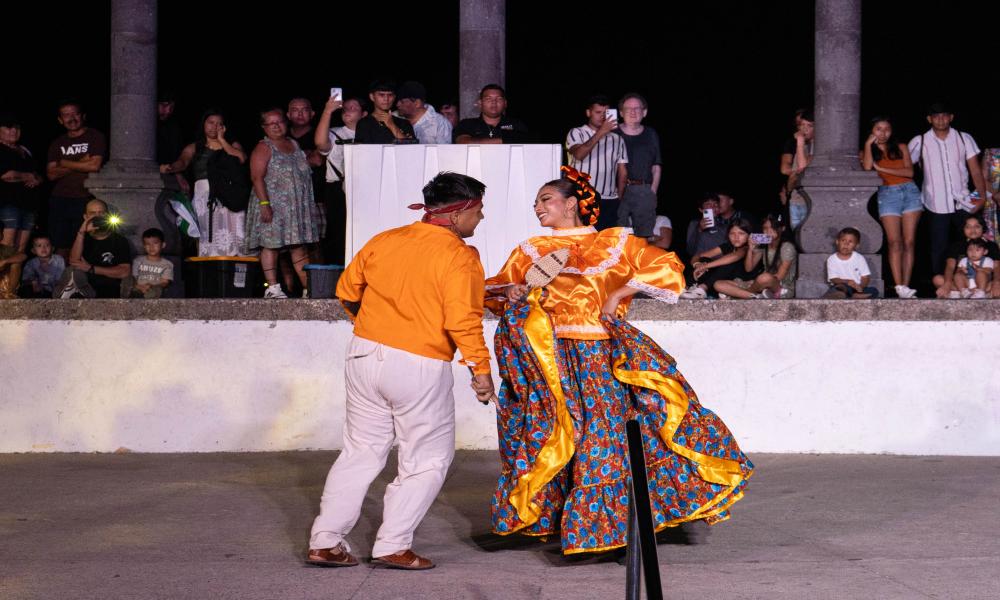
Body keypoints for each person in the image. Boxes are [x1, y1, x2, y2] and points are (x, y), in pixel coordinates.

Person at [483, 166, 753, 555]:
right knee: (556, 433)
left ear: (571, 203)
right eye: (536, 202)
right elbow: (497, 290)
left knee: (603, 433)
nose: (538, 207)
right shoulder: (531, 250)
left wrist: (619, 293)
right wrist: (514, 293)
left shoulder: (614, 243)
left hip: (599, 354)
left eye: (545, 199)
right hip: (551, 358)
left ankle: (605, 529)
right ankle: (562, 520)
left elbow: (668, 267)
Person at [307, 172, 495, 570]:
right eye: (477, 211)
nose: (480, 219)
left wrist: (378, 327)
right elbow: (463, 320)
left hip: (363, 354)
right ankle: (392, 544)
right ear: (458, 212)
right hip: (418, 363)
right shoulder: (460, 255)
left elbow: (346, 292)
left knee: (359, 452)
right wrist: (480, 369)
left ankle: (325, 541)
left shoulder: (385, 240)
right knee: (426, 459)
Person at [245, 108, 320, 298]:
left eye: (279, 122)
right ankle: (273, 288)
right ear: (264, 127)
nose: (277, 126)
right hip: (273, 204)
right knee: (271, 244)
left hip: (293, 207)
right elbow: (256, 177)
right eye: (271, 123)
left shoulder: (293, 144)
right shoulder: (264, 147)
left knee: (298, 246)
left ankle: (307, 289)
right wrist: (264, 204)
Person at [908, 102, 989, 278]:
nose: (941, 119)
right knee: (939, 246)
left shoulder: (963, 137)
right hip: (935, 203)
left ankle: (974, 281)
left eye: (944, 115)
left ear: (951, 117)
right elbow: (905, 167)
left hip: (964, 201)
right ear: (929, 119)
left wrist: (981, 197)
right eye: (936, 116)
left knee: (974, 242)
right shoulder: (920, 141)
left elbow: (975, 170)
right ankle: (942, 284)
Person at [160, 109, 248, 257]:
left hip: (229, 195)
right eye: (211, 123)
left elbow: (241, 158)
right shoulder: (195, 146)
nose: (214, 127)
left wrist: (222, 140)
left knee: (233, 238)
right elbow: (183, 161)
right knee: (209, 236)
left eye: (219, 124)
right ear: (203, 124)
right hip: (205, 196)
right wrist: (171, 167)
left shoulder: (232, 144)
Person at [861, 116, 920, 299]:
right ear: (872, 131)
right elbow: (868, 167)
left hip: (910, 192)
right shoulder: (867, 150)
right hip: (887, 194)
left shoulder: (901, 147)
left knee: (909, 242)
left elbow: (909, 172)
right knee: (894, 242)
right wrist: (868, 144)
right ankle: (899, 285)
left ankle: (906, 286)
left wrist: (883, 169)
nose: (883, 133)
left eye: (886, 129)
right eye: (878, 129)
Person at [46, 101, 107, 258]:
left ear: (83, 116)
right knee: (60, 244)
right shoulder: (57, 143)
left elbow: (94, 165)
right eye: (66, 115)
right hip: (60, 198)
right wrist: (81, 162)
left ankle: (80, 279)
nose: (71, 118)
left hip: (85, 198)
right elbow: (51, 174)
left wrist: (64, 162)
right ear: (60, 120)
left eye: (75, 114)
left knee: (83, 242)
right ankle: (63, 280)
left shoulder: (95, 136)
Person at [316, 95, 366, 265]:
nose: (348, 111)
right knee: (338, 233)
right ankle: (337, 272)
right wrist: (328, 110)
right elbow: (321, 144)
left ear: (364, 114)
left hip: (362, 188)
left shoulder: (371, 134)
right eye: (345, 108)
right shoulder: (334, 132)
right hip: (337, 188)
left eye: (354, 108)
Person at [565, 95, 627, 231]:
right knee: (584, 239)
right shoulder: (577, 132)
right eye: (598, 112)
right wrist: (601, 132)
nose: (602, 117)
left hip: (610, 201)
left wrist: (620, 198)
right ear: (588, 113)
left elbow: (622, 171)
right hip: (583, 197)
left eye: (606, 113)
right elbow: (579, 154)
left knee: (606, 243)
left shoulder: (617, 139)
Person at [53, 198, 131, 299]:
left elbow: (124, 271)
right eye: (93, 213)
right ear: (86, 216)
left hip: (109, 287)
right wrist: (81, 232)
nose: (97, 216)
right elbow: (74, 262)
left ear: (107, 215)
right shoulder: (80, 237)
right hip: (83, 284)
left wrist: (91, 269)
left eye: (101, 213)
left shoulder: (120, 240)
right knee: (72, 271)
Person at [0, 113, 42, 295]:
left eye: (16, 128)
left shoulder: (25, 150)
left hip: (29, 206)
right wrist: (27, 176)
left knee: (20, 250)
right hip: (8, 204)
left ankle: (10, 291)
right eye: (8, 127)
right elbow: (6, 175)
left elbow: (38, 174)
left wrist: (36, 178)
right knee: (6, 248)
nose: (13, 131)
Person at [714, 213, 797, 299]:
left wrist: (758, 283)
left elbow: (780, 276)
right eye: (765, 228)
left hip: (780, 286)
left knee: (764, 278)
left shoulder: (787, 247)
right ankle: (756, 296)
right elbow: (749, 268)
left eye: (773, 228)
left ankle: (743, 295)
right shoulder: (764, 245)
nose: (769, 231)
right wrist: (750, 248)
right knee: (718, 284)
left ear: (782, 228)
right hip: (761, 285)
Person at [286, 97, 328, 262]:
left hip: (315, 199)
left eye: (304, 110)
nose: (300, 114)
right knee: (286, 248)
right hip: (288, 201)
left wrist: (290, 160)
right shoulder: (281, 136)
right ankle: (289, 288)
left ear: (312, 114)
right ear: (288, 115)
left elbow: (318, 160)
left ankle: (318, 285)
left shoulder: (320, 133)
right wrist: (306, 156)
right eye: (295, 110)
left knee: (316, 245)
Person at [615, 93, 661, 238]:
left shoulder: (650, 133)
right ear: (621, 112)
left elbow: (656, 166)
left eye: (637, 108)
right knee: (618, 234)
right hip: (617, 191)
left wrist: (652, 191)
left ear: (644, 112)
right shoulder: (612, 133)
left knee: (644, 236)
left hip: (643, 190)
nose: (633, 112)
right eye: (628, 108)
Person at [681, 219, 754, 299]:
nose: (736, 237)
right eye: (732, 233)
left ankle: (702, 289)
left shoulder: (747, 248)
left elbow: (735, 256)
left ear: (749, 236)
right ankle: (688, 287)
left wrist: (706, 266)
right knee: (704, 259)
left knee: (727, 261)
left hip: (736, 283)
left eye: (741, 233)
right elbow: (698, 256)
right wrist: (697, 265)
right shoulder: (728, 246)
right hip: (716, 282)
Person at [933, 214, 1000, 298]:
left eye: (977, 226)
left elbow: (997, 267)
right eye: (968, 227)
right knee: (937, 279)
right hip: (963, 283)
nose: (973, 230)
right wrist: (947, 283)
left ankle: (964, 293)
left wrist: (997, 283)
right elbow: (950, 266)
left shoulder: (991, 245)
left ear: (983, 228)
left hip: (985, 283)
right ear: (963, 229)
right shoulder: (957, 246)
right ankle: (964, 292)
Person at [453, 84, 531, 144]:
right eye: (488, 99)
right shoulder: (467, 124)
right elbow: (464, 142)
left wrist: (478, 141)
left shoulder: (516, 124)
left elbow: (525, 141)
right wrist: (506, 140)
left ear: (505, 103)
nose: (494, 102)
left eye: (499, 99)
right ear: (480, 103)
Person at [779, 109, 814, 230]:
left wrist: (799, 143)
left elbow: (802, 168)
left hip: (809, 199)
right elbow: (785, 169)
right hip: (795, 197)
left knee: (807, 235)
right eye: (801, 125)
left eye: (809, 125)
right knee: (796, 237)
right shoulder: (800, 144)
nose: (804, 129)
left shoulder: (814, 145)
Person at [823, 227, 879, 299]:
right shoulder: (832, 259)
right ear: (837, 242)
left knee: (874, 290)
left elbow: (865, 277)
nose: (846, 244)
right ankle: (843, 295)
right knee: (839, 288)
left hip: (857, 288)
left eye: (850, 242)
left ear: (856, 245)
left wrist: (861, 286)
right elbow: (834, 279)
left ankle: (853, 295)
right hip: (842, 285)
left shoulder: (859, 258)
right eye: (843, 240)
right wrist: (847, 282)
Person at [122, 228, 173, 299]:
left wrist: (151, 286)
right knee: (127, 279)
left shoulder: (167, 264)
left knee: (158, 290)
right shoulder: (137, 261)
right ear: (144, 246)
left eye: (155, 243)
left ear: (163, 245)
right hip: (138, 288)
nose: (151, 247)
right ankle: (126, 298)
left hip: (153, 290)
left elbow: (165, 282)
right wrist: (139, 286)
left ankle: (148, 298)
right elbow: (134, 277)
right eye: (147, 244)